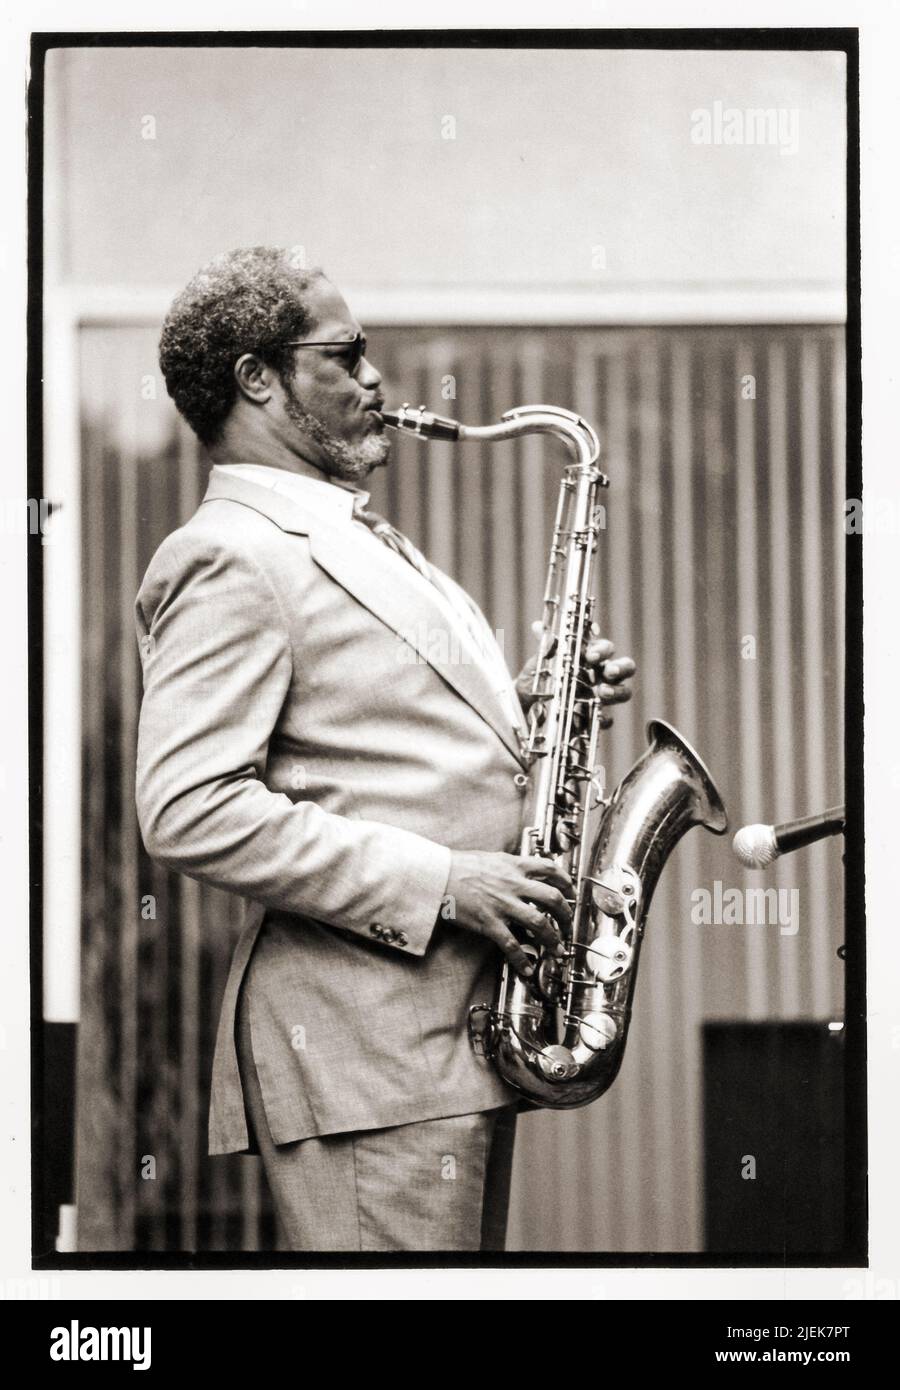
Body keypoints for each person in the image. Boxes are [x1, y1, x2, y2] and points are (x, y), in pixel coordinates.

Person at [135, 246, 634, 1252]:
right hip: (363, 1058)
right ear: (258, 378)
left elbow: (393, 743)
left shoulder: (352, 535)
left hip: (435, 1048)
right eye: (348, 353)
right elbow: (186, 806)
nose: (376, 380)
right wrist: (447, 880)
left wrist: (547, 708)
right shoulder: (229, 551)